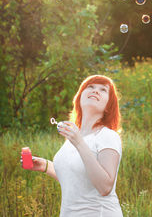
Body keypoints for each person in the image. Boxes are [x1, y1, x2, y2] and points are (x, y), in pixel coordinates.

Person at [20, 74, 123, 217]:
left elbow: (105, 187)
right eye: (90, 87)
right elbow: (75, 177)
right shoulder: (73, 138)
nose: (95, 90)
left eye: (103, 90)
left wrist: (79, 142)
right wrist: (45, 165)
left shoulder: (107, 136)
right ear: (79, 98)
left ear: (108, 106)